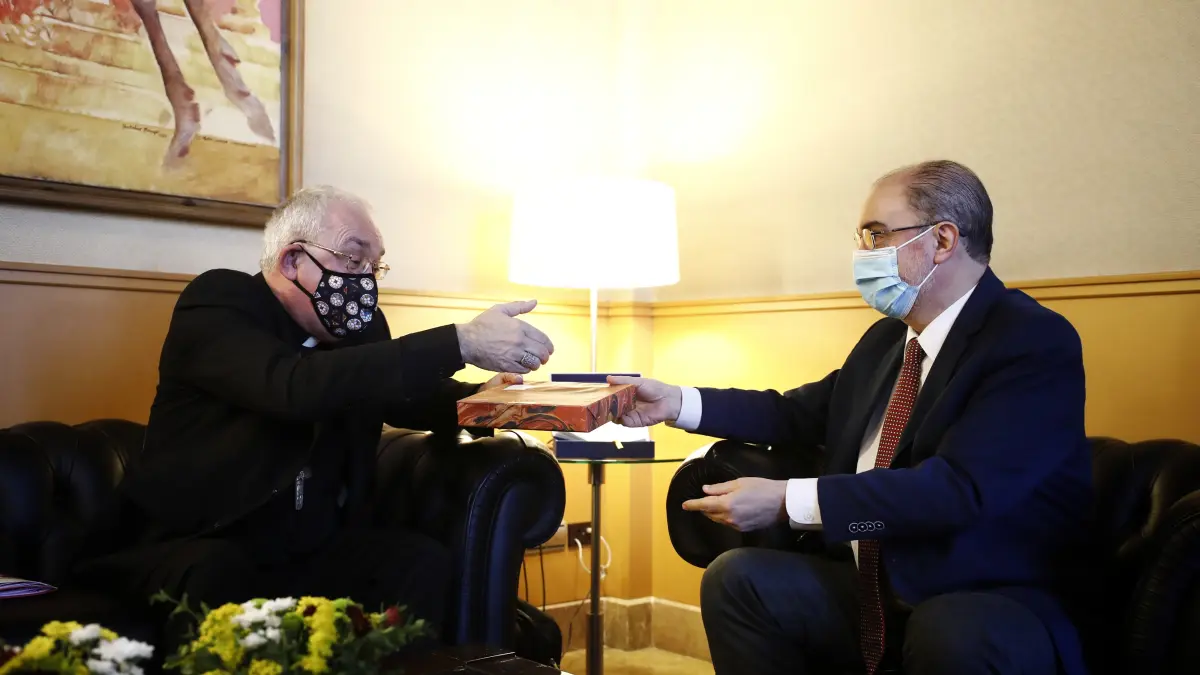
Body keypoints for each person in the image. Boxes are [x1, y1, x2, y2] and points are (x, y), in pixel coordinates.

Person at [612, 161, 1093, 675]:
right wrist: (675, 402)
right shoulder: (887, 340)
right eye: (862, 237)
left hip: (978, 591)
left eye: (876, 235)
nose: (863, 254)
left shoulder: (1030, 340)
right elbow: (797, 413)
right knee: (738, 579)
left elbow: (959, 489)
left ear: (942, 240)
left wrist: (788, 501)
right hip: (871, 582)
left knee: (950, 631)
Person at [79, 185, 555, 640]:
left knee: (417, 562)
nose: (365, 279)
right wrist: (460, 341)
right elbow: (293, 386)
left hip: (306, 549)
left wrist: (489, 400)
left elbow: (405, 396)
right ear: (292, 260)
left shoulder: (362, 330)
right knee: (218, 571)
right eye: (352, 259)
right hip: (192, 542)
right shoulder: (218, 302)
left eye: (374, 267)